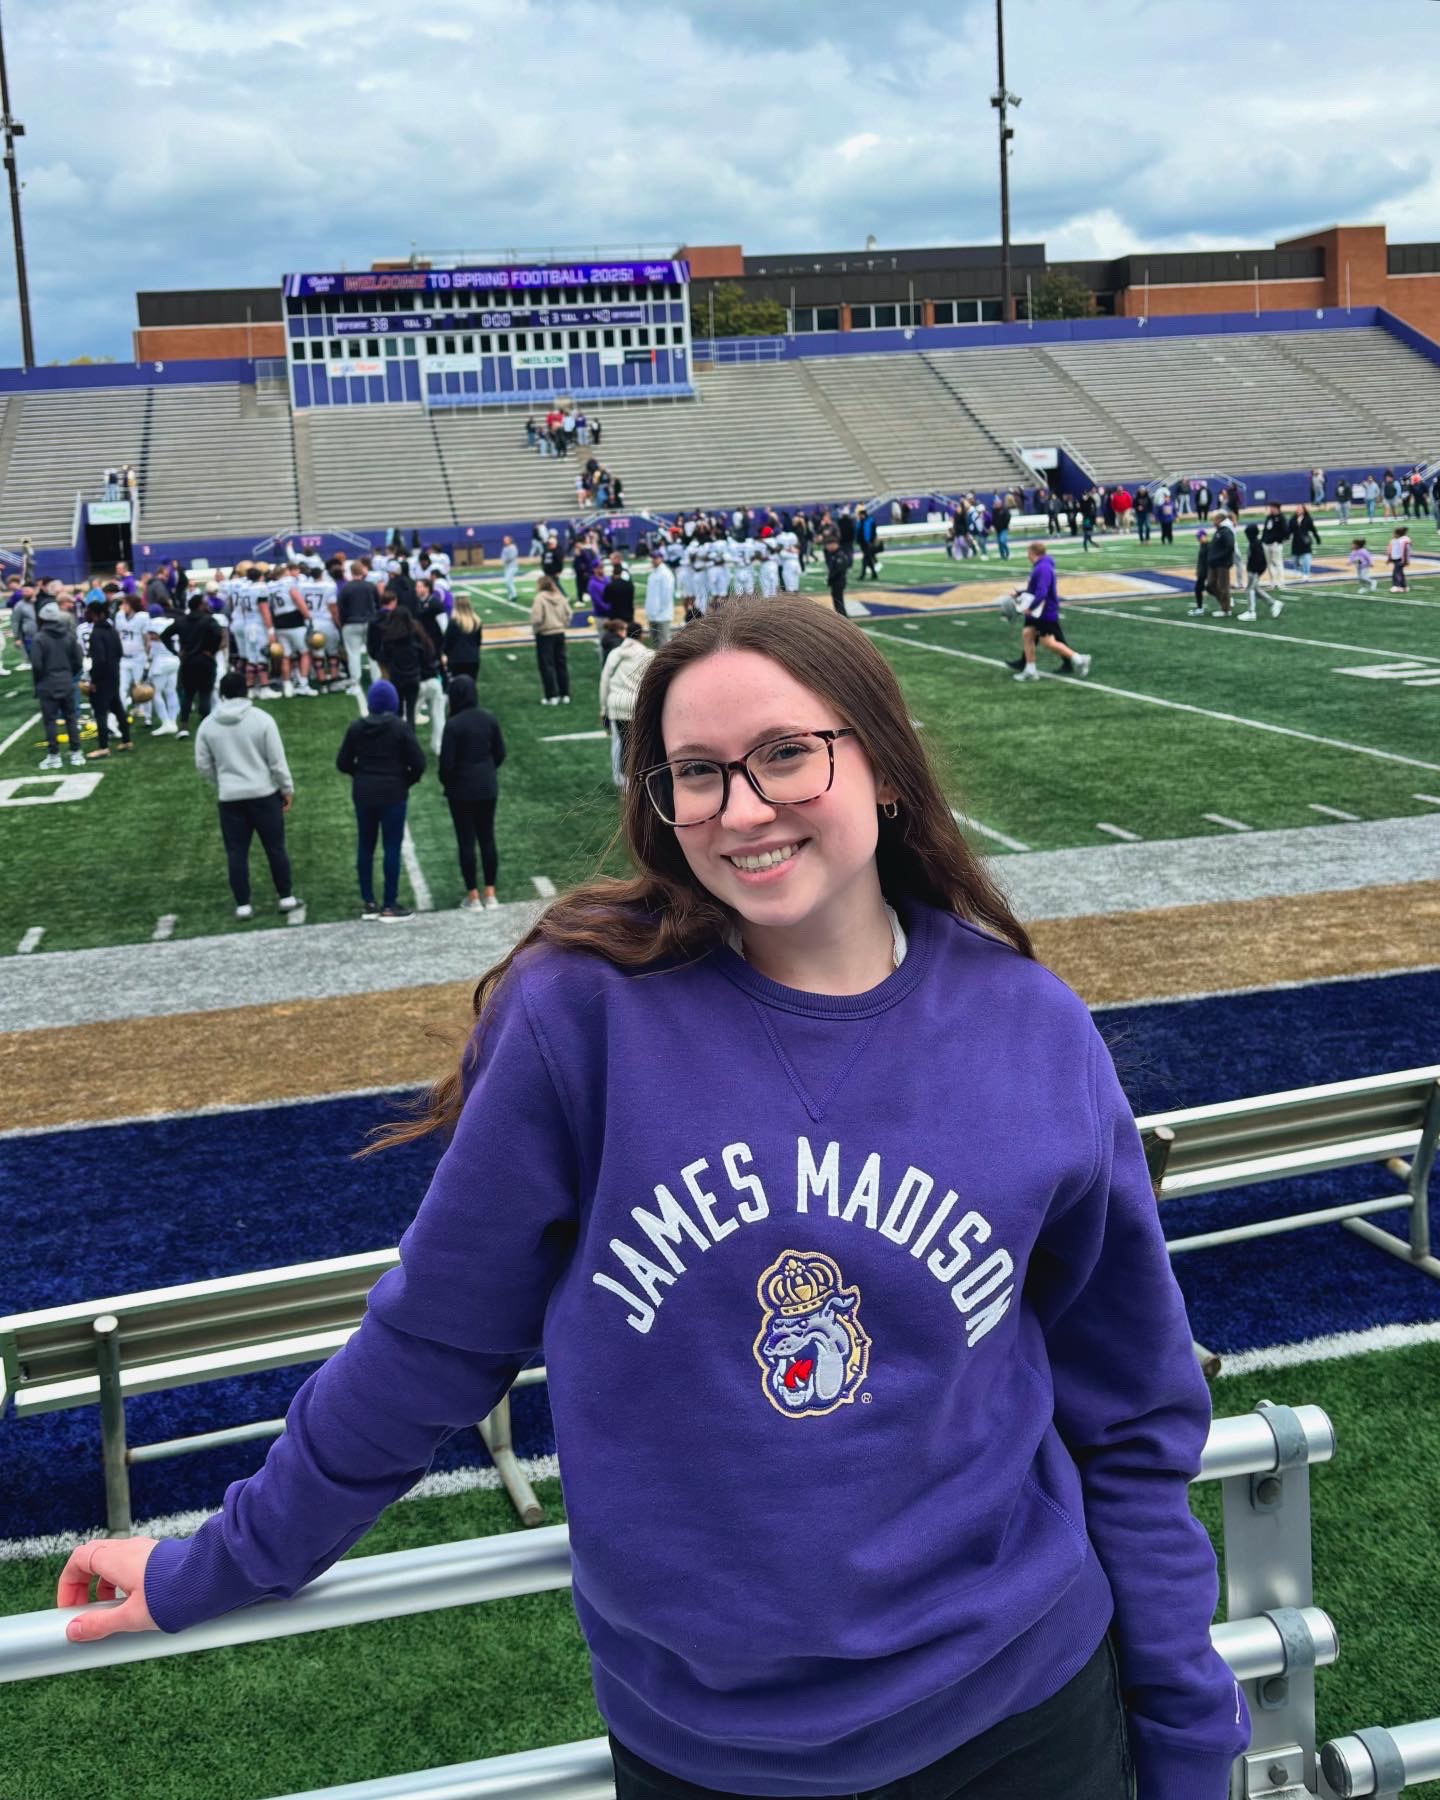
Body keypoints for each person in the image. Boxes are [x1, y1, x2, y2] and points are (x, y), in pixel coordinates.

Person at [58, 592, 1252, 1800]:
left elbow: (1129, 1417)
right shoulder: (581, 1017)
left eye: (786, 753)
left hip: (1021, 1713)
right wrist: (218, 1564)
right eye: (697, 773)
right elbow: (431, 1345)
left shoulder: (1030, 1029)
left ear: (885, 766)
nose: (742, 808)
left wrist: (1189, 1738)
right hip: (705, 1755)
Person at [193, 670, 301, 921]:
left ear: (222, 694)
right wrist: (286, 788)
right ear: (246, 691)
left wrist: (222, 781)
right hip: (264, 794)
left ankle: (243, 904)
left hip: (230, 798)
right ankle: (285, 896)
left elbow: (203, 765)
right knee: (275, 848)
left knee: (236, 852)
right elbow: (277, 762)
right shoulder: (262, 720)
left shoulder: (208, 724)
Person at [335, 679, 425, 922]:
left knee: (365, 846)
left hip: (364, 793)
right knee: (392, 848)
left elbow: (342, 763)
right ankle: (389, 903)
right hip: (393, 793)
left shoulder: (357, 727)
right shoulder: (400, 728)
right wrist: (405, 780)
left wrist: (361, 775)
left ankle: (369, 902)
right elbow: (418, 763)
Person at [439, 674, 506, 912]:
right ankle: (491, 893)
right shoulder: (488, 718)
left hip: (461, 790)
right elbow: (500, 753)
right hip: (487, 786)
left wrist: (448, 781)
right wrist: (486, 771)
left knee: (465, 840)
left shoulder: (453, 725)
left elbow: (446, 764)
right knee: (487, 838)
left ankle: (473, 896)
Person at [1012, 542, 1092, 682]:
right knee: (1027, 634)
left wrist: (1030, 607)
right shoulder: (1040, 566)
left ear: (1033, 553)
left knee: (1047, 642)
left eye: (1028, 553)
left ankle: (1079, 659)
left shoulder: (1043, 568)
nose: (1027, 556)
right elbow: (1034, 589)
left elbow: (1042, 592)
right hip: (1039, 610)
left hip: (1045, 611)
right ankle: (1030, 670)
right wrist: (1019, 593)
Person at [30, 602, 85, 769]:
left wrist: (40, 681)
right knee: (71, 718)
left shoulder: (39, 638)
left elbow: (37, 665)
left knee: (50, 721)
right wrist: (69, 674)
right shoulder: (68, 635)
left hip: (47, 684)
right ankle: (76, 753)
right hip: (67, 681)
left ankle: (54, 756)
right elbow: (78, 660)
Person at [598, 619, 654, 779]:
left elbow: (604, 682)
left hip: (616, 705)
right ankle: (636, 778)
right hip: (638, 706)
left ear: (625, 634)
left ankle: (621, 778)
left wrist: (603, 709)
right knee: (639, 745)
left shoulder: (614, 654)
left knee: (620, 743)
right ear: (641, 636)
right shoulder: (649, 656)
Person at [368, 594, 431, 726]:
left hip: (397, 678)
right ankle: (410, 734)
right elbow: (426, 651)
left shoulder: (389, 638)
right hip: (413, 677)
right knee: (411, 712)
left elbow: (383, 655)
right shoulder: (415, 635)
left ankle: (397, 734)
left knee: (397, 712)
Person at [82, 601, 131, 758]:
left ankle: (103, 747)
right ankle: (126, 740)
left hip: (102, 678)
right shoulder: (112, 629)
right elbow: (119, 652)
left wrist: (94, 680)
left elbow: (99, 660)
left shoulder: (96, 633)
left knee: (100, 712)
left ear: (95, 613)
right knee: (117, 708)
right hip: (114, 674)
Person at [176, 593, 224, 737]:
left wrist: (176, 651)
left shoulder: (181, 621)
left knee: (188, 694)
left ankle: (183, 726)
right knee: (205, 693)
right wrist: (212, 650)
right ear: (200, 605)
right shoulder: (209, 620)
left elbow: (165, 635)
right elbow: (218, 635)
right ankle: (205, 724)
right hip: (205, 660)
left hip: (188, 661)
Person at [337, 560, 381, 694]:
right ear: (362, 571)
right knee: (373, 654)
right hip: (370, 623)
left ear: (351, 572)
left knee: (353, 654)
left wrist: (343, 624)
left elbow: (341, 608)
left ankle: (355, 684)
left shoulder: (346, 588)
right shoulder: (370, 586)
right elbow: (378, 604)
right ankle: (376, 681)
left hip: (351, 623)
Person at [530, 573, 571, 706]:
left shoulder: (540, 598)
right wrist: (563, 624)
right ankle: (565, 694)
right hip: (559, 633)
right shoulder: (560, 596)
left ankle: (551, 696)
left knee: (547, 666)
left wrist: (536, 629)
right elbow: (569, 613)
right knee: (561, 664)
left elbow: (536, 618)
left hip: (545, 634)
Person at [1235, 525, 1281, 622]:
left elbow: (1260, 561)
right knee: (1256, 590)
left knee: (1250, 589)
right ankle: (1273, 603)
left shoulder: (1255, 544)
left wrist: (1256, 572)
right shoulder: (1253, 543)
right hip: (1253, 571)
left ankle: (1251, 612)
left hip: (1254, 571)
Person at [1200, 511, 1236, 617]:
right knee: (1210, 585)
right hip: (1214, 563)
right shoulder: (1219, 531)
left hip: (1222, 564)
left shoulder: (1226, 531)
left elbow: (1230, 547)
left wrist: (1219, 557)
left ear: (1220, 520)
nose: (1212, 522)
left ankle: (1226, 610)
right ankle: (1225, 602)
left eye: (1214, 519)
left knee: (1223, 586)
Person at [443, 594, 483, 685]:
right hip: (473, 659)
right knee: (470, 686)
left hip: (456, 660)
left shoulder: (454, 622)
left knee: (457, 687)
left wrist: (445, 654)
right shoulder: (476, 621)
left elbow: (447, 643)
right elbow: (478, 642)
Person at [644, 548, 676, 650]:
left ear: (661, 558)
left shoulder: (666, 574)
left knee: (663, 644)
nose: (653, 560)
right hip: (653, 614)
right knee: (654, 644)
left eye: (655, 558)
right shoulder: (653, 574)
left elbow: (667, 594)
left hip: (662, 615)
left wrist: (659, 609)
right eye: (652, 558)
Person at [1259, 503, 1288, 591]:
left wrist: (1279, 541)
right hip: (1266, 544)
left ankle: (1281, 582)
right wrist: (1262, 541)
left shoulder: (1281, 518)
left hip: (1276, 544)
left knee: (1278, 563)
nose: (1270, 509)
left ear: (1277, 508)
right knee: (1269, 564)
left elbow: (1285, 531)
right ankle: (1272, 582)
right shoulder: (1269, 517)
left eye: (1272, 507)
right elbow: (1265, 530)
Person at [1289, 505, 1321, 581]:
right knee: (1295, 559)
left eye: (1300, 509)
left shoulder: (1308, 519)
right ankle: (1299, 570)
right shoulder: (1293, 519)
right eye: (1297, 509)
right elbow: (1289, 530)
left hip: (1305, 542)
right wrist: (1285, 537)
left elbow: (1313, 530)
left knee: (1306, 558)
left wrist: (1317, 538)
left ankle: (1306, 573)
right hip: (1296, 542)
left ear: (1304, 510)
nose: (1298, 510)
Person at [823, 534, 849, 616]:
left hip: (838, 582)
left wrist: (830, 578)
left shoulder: (839, 555)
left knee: (839, 603)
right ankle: (841, 618)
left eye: (828, 545)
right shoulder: (834, 554)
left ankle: (843, 620)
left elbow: (839, 570)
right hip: (835, 582)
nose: (827, 547)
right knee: (837, 603)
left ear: (834, 544)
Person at [1388, 524, 1412, 592]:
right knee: (1400, 573)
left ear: (1398, 534)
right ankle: (1404, 587)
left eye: (1394, 533)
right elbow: (1392, 549)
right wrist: (1390, 558)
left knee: (1396, 573)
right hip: (1396, 559)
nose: (1393, 534)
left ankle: (1396, 586)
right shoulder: (1396, 540)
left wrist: (1405, 560)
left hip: (1400, 559)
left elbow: (1405, 551)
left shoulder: (1403, 541)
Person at [499, 535, 520, 604]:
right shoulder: (505, 548)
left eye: (506, 539)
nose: (505, 541)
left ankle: (514, 595)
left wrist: (505, 560)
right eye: (504, 540)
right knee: (509, 582)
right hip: (507, 567)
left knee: (507, 581)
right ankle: (510, 597)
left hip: (513, 567)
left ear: (510, 540)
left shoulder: (513, 547)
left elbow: (512, 557)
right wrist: (503, 561)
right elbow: (502, 557)